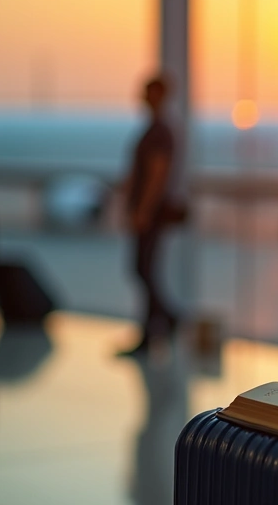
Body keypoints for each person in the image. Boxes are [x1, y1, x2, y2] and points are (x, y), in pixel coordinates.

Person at [119, 72, 183, 356]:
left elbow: (157, 175)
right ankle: (162, 323)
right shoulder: (156, 129)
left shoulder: (159, 131)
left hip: (151, 213)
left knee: (143, 268)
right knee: (144, 269)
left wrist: (143, 210)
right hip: (150, 212)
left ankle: (163, 323)